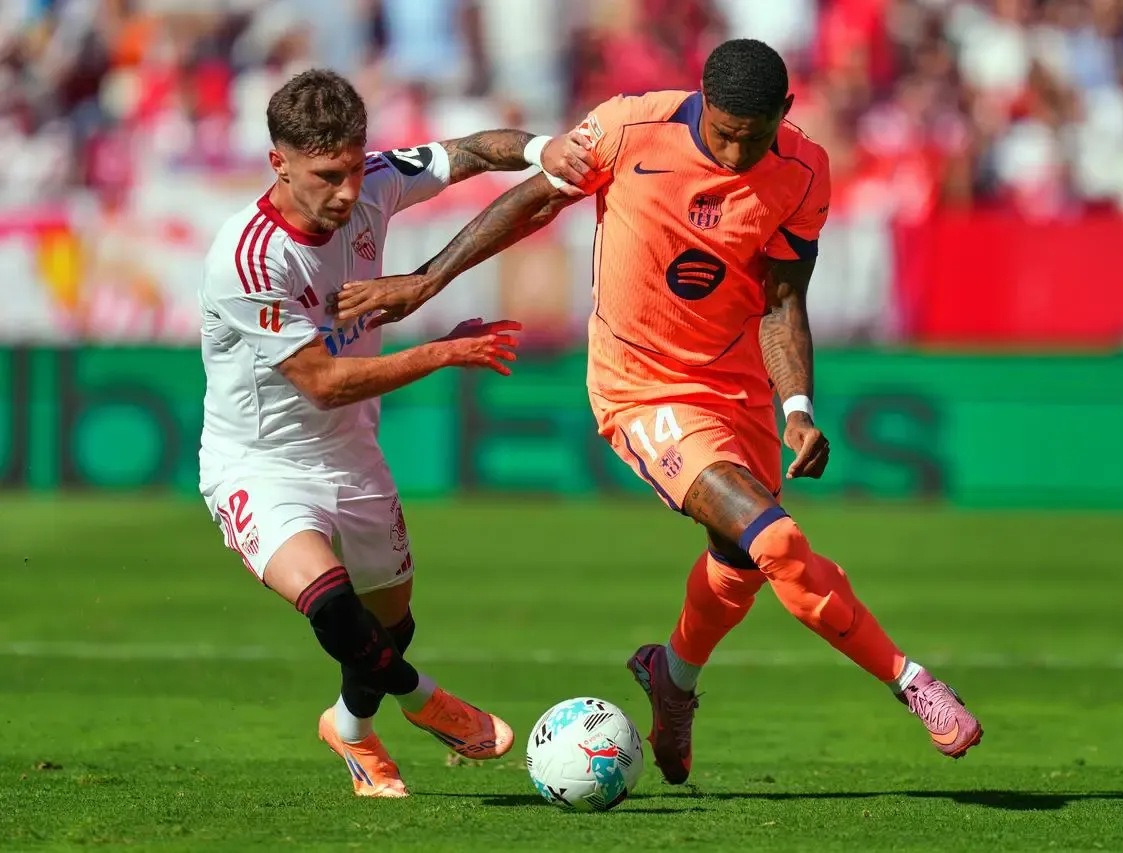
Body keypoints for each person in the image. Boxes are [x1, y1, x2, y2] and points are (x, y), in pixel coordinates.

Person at [335, 40, 983, 786]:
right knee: (775, 539)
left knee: (739, 559)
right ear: (702, 99)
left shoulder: (804, 170)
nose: (736, 153)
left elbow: (782, 301)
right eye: (724, 134)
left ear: (786, 112)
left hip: (737, 383)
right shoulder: (627, 129)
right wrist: (423, 281)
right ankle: (911, 680)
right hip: (641, 385)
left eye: (754, 137)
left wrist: (798, 407)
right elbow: (532, 201)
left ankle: (671, 675)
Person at [197, 68, 590, 798]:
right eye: (326, 176)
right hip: (259, 462)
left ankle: (350, 730)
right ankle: (423, 698)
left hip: (352, 452)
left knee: (389, 623)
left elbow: (470, 152)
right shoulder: (250, 259)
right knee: (331, 601)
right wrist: (443, 351)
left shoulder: (375, 182)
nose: (347, 191)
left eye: (353, 167)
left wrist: (544, 147)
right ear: (279, 162)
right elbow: (322, 381)